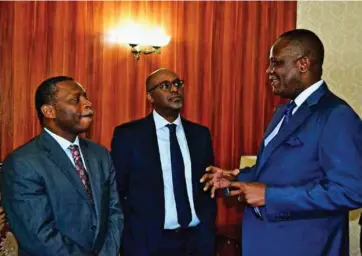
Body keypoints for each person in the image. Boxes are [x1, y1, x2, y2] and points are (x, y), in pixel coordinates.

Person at [201, 29, 362, 256]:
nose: (269, 71)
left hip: (306, 247)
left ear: (303, 64)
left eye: (276, 63)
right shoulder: (283, 111)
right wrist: (233, 180)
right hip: (266, 243)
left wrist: (270, 196)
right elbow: (273, 169)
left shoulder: (336, 115)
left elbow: (351, 190)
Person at [1, 76, 124, 255]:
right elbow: (38, 234)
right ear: (49, 111)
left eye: (85, 97)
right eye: (76, 100)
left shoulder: (100, 154)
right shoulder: (22, 162)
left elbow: (114, 212)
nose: (88, 103)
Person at [111, 68, 216, 256]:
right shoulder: (129, 135)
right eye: (165, 86)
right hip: (148, 242)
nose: (174, 90)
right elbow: (117, 190)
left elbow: (208, 184)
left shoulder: (200, 134)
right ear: (150, 97)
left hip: (197, 240)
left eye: (177, 84)